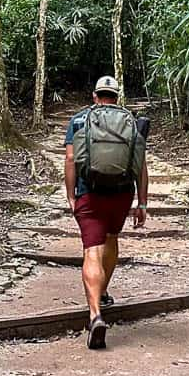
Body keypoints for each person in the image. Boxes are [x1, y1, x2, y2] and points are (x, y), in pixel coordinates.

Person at [63, 76, 149, 350]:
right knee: (111, 239)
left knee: (91, 250)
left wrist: (71, 195)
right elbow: (141, 165)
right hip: (121, 194)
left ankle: (95, 314)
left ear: (95, 96)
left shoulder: (79, 120)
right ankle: (102, 292)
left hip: (90, 193)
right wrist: (142, 203)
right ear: (116, 96)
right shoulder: (130, 123)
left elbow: (69, 158)